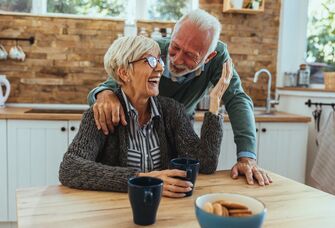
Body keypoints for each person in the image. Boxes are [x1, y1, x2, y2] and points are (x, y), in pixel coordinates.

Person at [87, 9, 272, 186]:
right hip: (134, 129)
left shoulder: (218, 58)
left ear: (208, 57)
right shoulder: (154, 51)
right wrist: (105, 94)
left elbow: (237, 99)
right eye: (175, 47)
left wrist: (247, 157)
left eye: (190, 55)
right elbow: (111, 84)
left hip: (181, 127)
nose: (176, 59)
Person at [59, 35, 230, 198]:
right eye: (150, 61)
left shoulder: (172, 111)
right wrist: (141, 179)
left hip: (165, 209)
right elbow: (70, 168)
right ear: (124, 73)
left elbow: (205, 163)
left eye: (159, 60)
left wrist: (215, 101)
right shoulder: (100, 115)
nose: (160, 67)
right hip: (114, 211)